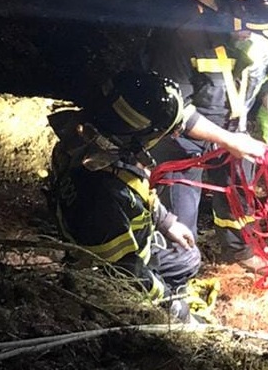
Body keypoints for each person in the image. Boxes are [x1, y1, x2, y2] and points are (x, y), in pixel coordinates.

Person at [143, 0, 268, 269]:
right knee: (179, 224)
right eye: (258, 38)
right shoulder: (182, 35)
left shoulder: (265, 34)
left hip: (231, 131)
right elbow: (174, 111)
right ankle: (173, 270)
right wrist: (229, 140)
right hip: (180, 142)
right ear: (234, 19)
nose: (265, 47)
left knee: (241, 189)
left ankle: (240, 250)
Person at [48, 70, 202, 323]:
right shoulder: (100, 192)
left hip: (126, 248)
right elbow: (124, 272)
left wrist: (167, 223)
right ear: (139, 133)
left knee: (189, 257)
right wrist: (175, 310)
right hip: (107, 275)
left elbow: (136, 189)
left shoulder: (93, 143)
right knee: (149, 294)